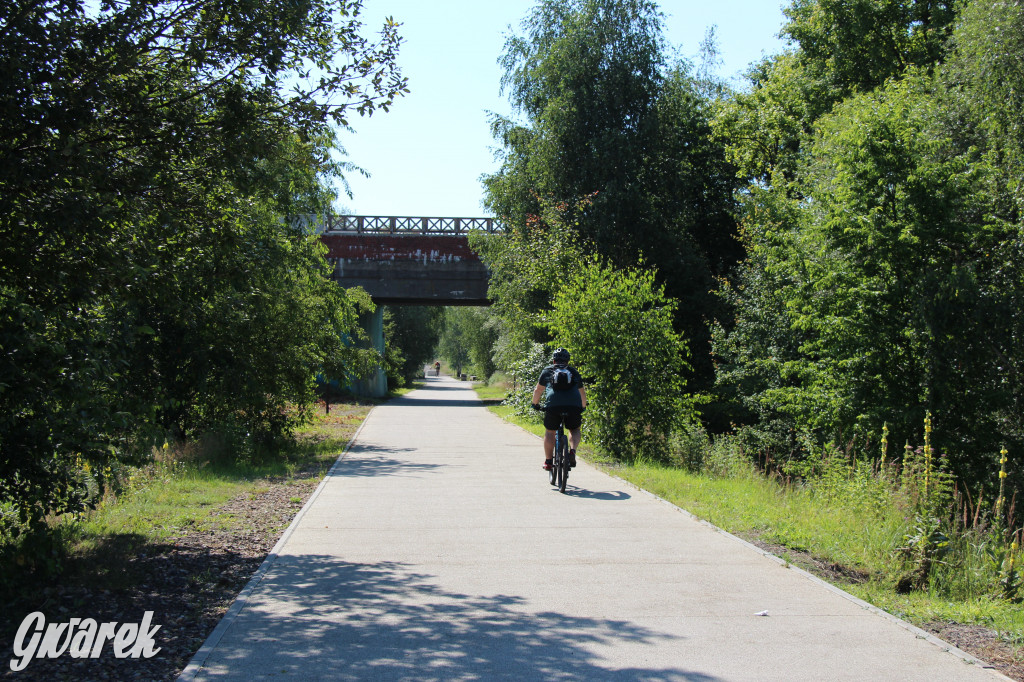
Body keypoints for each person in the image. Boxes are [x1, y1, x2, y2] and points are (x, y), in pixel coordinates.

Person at [531, 348, 587, 471]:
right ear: (568, 360)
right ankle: (572, 451)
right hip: (573, 406)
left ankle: (549, 461)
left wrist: (535, 404)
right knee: (574, 429)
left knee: (550, 432)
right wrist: (583, 407)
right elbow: (582, 392)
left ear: (553, 360)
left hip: (553, 405)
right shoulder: (573, 371)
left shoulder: (547, 370)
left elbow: (538, 390)